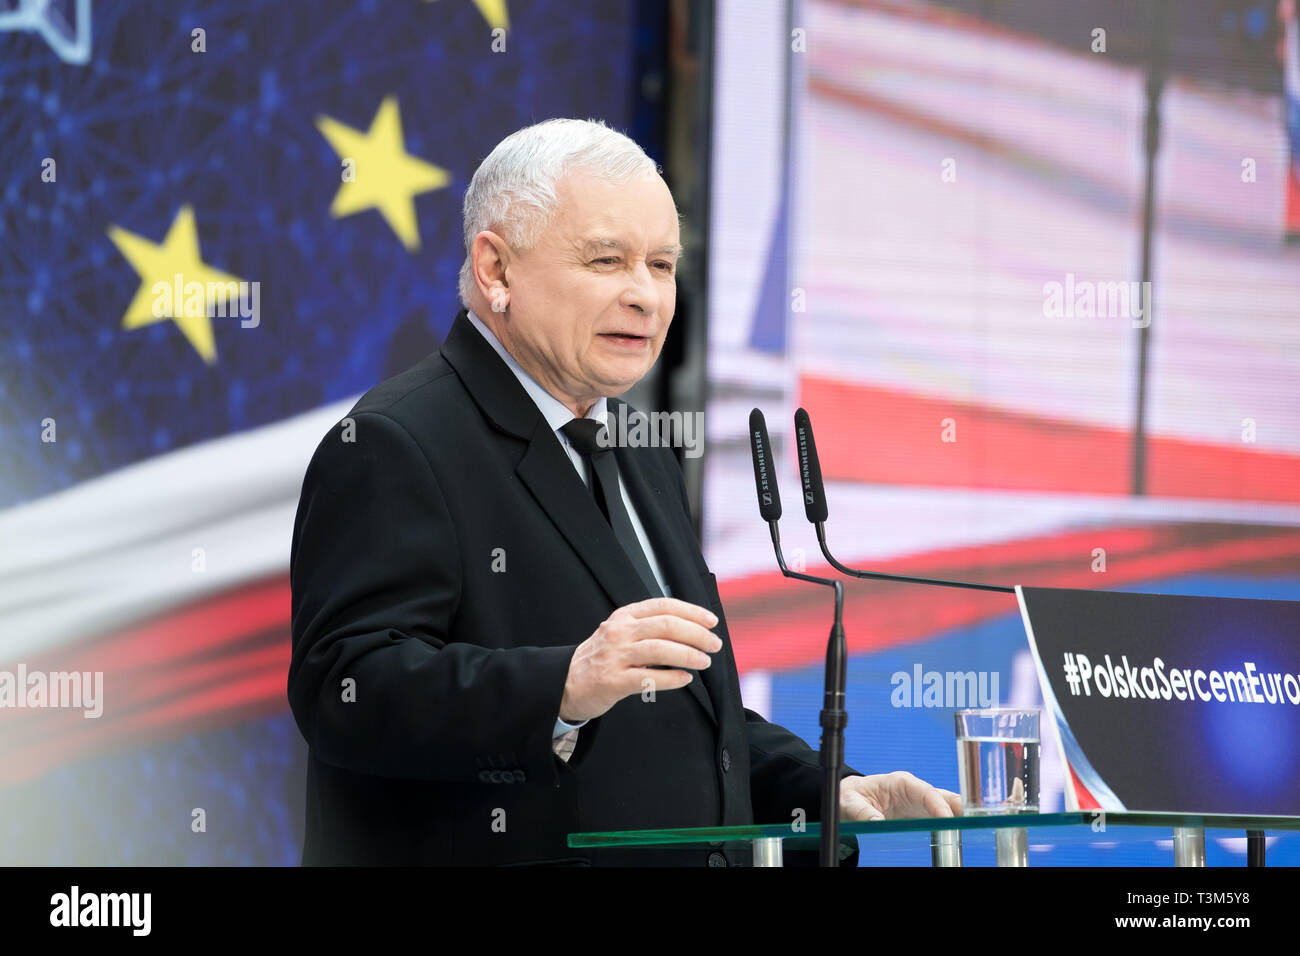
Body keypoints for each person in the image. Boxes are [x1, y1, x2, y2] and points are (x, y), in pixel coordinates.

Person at [287, 117, 960, 866]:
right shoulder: (395, 443)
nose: (646, 296)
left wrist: (823, 787)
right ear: (497, 271)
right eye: (606, 260)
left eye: (662, 265)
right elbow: (345, 690)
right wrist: (563, 687)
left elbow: (688, 714)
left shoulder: (637, 447)